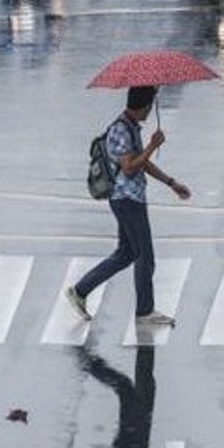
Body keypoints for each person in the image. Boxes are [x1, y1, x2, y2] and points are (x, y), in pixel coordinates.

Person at [67, 86, 191, 327]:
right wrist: (153, 146)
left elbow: (141, 163)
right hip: (126, 200)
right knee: (145, 256)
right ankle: (144, 311)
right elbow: (130, 166)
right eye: (151, 104)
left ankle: (80, 290)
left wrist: (171, 183)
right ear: (144, 106)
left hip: (131, 198)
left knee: (126, 253)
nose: (150, 110)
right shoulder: (121, 130)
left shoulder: (130, 127)